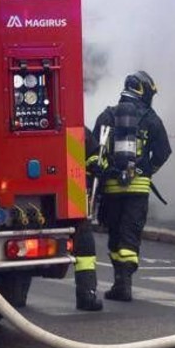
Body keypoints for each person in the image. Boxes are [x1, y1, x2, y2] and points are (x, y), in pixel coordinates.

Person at [90, 71, 172, 301]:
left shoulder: (107, 115)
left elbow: (95, 151)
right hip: (138, 188)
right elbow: (164, 152)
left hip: (112, 189)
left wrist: (106, 172)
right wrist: (146, 170)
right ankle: (125, 282)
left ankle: (120, 283)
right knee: (130, 234)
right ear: (143, 91)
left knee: (116, 233)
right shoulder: (151, 118)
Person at [73, 127, 103, 311]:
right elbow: (95, 156)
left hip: (72, 190)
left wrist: (93, 166)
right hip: (74, 191)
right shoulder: (77, 129)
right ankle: (86, 295)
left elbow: (94, 157)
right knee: (84, 246)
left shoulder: (79, 131)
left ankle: (18, 295)